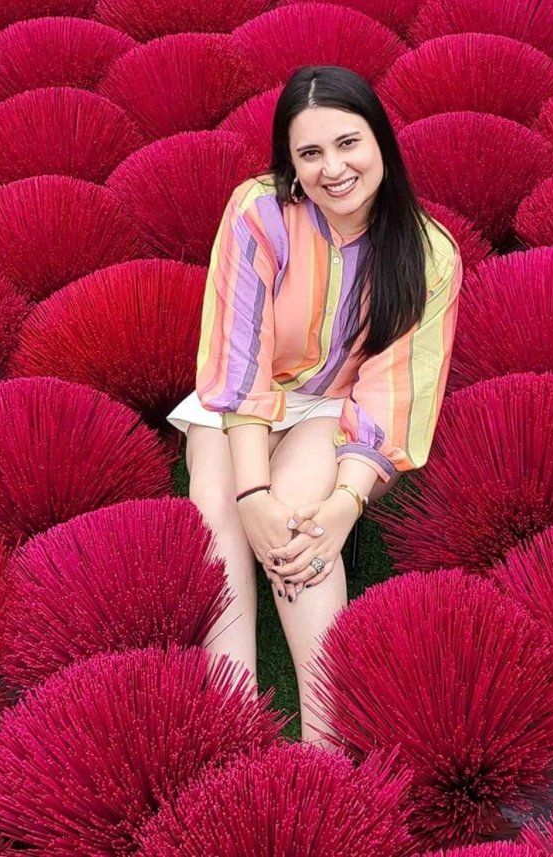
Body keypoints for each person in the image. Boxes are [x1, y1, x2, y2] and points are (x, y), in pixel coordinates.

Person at [166, 64, 464, 744]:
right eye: (310, 153)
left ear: (381, 142)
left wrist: (342, 508)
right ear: (291, 166)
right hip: (242, 400)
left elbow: (391, 395)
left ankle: (327, 738)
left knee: (301, 511)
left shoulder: (430, 255)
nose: (335, 167)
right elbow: (240, 366)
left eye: (348, 143)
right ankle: (233, 721)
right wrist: (252, 497)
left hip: (338, 410)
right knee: (216, 501)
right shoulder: (259, 212)